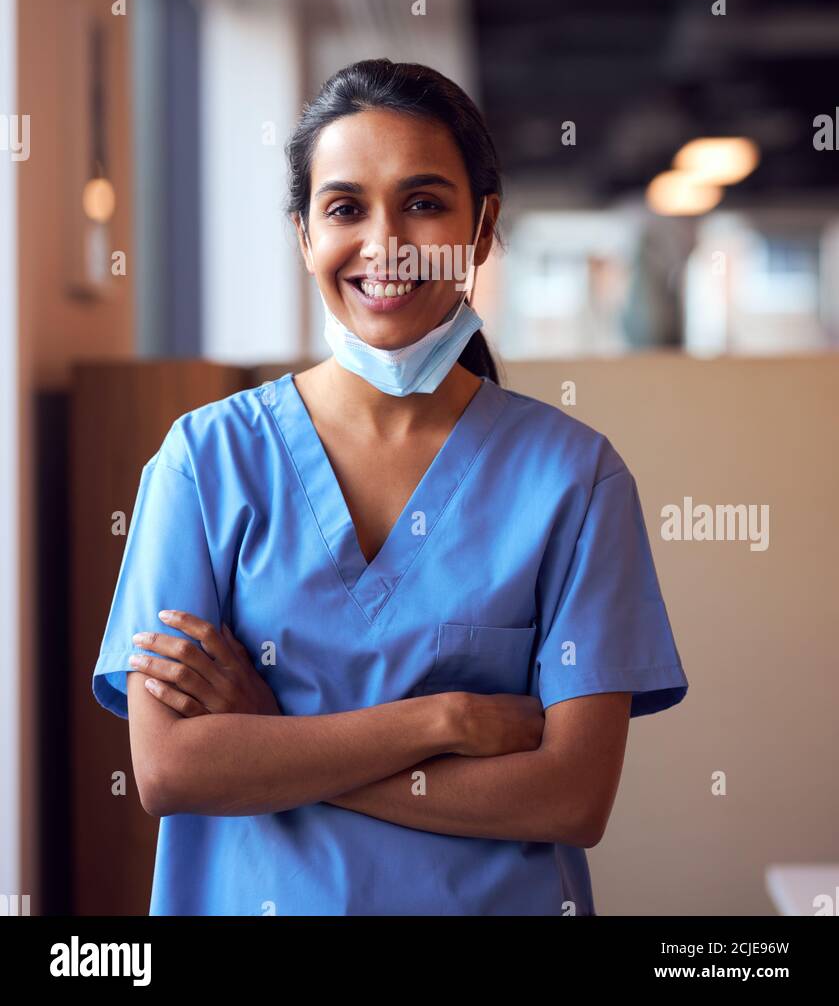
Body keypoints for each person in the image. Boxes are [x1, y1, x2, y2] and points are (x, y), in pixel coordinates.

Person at [92, 57, 688, 916]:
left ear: (481, 228)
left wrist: (270, 747)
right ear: (303, 235)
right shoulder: (204, 464)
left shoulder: (572, 479)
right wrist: (439, 721)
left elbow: (570, 799)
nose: (384, 245)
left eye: (423, 202)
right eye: (344, 208)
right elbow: (170, 771)